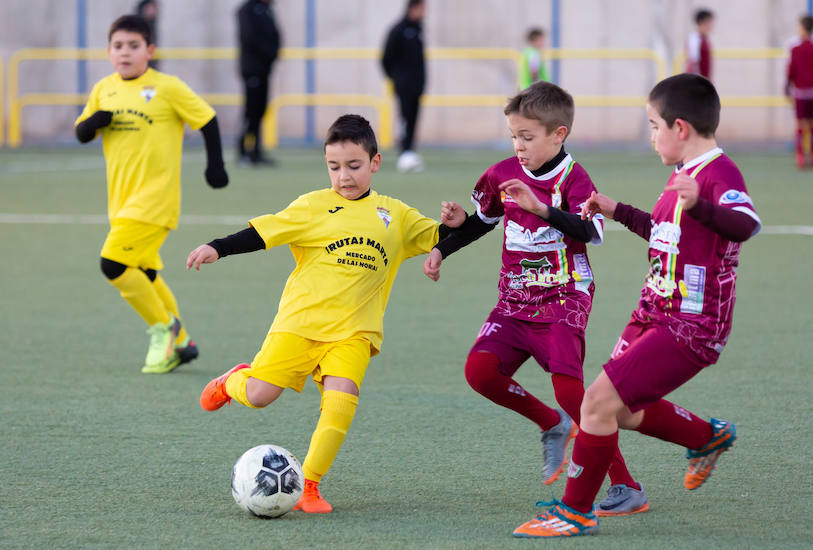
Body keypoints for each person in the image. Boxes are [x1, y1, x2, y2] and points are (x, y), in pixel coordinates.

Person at [512, 73, 762, 538]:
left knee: (599, 404)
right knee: (615, 410)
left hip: (691, 323)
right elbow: (666, 235)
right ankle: (706, 437)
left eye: (653, 126)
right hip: (653, 313)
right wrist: (615, 209)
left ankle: (575, 513)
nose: (651, 137)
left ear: (680, 128)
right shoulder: (682, 176)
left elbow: (745, 224)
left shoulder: (718, 174)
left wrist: (702, 205)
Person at [188, 114, 461, 514]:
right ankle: (232, 382)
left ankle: (310, 486)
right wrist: (218, 247)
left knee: (341, 400)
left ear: (375, 162)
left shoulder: (394, 215)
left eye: (353, 166)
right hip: (300, 324)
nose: (344, 176)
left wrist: (456, 223)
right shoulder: (313, 206)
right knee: (261, 396)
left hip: (355, 332)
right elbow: (263, 233)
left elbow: (440, 236)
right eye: (334, 167)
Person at [425, 81, 648, 516]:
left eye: (527, 137)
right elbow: (481, 222)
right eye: (514, 136)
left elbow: (591, 231)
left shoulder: (574, 178)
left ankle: (625, 485)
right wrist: (443, 243)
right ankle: (552, 424)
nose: (519, 146)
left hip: (565, 296)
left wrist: (542, 208)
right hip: (514, 300)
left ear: (558, 134)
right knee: (480, 372)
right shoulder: (500, 174)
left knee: (571, 391)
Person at [74, 14, 228, 374]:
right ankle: (184, 339)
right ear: (108, 51)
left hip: (156, 200)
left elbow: (207, 119)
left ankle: (164, 331)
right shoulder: (103, 89)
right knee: (144, 271)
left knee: (112, 264)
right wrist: (94, 122)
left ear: (150, 50)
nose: (125, 53)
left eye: (133, 46)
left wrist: (215, 167)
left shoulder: (167, 87)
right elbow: (81, 132)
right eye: (118, 46)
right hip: (121, 202)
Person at [381, 0, 426, 173]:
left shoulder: (418, 29)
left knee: (414, 117)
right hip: (403, 85)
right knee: (404, 117)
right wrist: (396, 78)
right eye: (421, 8)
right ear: (412, 8)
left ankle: (410, 150)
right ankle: (403, 152)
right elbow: (386, 58)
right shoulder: (398, 30)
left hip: (417, 85)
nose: (423, 12)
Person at [237, 0, 280, 166]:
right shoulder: (247, 10)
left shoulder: (266, 10)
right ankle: (243, 150)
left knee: (261, 110)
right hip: (253, 69)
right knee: (251, 111)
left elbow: (274, 35)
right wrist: (268, 52)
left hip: (264, 69)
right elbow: (251, 37)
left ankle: (256, 150)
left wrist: (273, 54)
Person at [785, 15, 813, 169]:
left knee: (800, 124)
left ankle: (801, 155)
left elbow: (791, 69)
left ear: (802, 28)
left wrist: (787, 86)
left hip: (800, 92)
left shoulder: (795, 47)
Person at [685, 9, 714, 80]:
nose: (710, 26)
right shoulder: (695, 40)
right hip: (698, 81)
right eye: (709, 22)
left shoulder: (704, 39)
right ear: (702, 23)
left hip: (703, 79)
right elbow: (693, 63)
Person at [135, 0, 160, 69]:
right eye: (150, 8)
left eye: (155, 8)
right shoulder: (137, 25)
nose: (153, 11)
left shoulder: (153, 24)